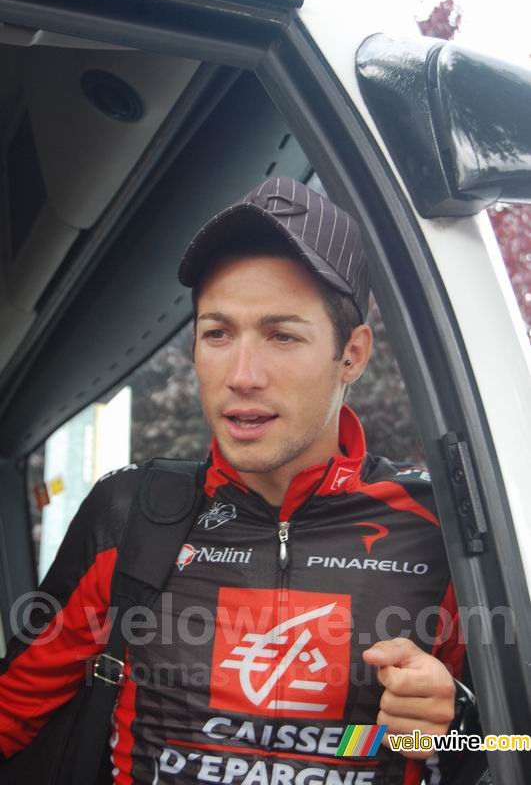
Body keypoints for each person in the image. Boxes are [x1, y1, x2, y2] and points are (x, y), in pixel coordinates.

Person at [0, 177, 469, 785]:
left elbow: (514, 740)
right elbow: (12, 714)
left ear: (351, 354)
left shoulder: (442, 528)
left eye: (282, 335)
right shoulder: (130, 513)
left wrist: (462, 723)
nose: (242, 375)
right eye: (217, 333)